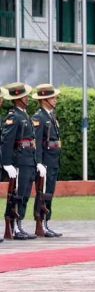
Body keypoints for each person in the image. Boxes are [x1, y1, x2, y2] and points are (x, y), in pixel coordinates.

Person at [2, 82, 42, 241]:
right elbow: (7, 141)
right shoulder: (14, 117)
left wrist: (36, 160)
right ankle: (13, 226)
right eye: (24, 96)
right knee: (17, 194)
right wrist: (6, 163)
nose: (27, 98)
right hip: (19, 160)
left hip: (28, 159)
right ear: (17, 99)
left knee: (25, 194)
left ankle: (19, 224)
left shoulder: (25, 115)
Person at [30, 84, 63, 238]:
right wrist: (38, 162)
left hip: (53, 160)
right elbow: (37, 142)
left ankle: (46, 223)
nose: (55, 99)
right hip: (45, 162)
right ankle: (40, 223)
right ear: (44, 99)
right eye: (53, 97)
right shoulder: (39, 118)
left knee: (49, 193)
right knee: (43, 194)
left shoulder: (50, 116)